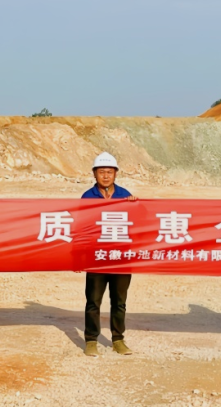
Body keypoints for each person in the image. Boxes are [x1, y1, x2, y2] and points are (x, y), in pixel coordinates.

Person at [81, 152, 138, 357]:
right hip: (96, 257)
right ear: (94, 174)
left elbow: (140, 222)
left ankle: (118, 339)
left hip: (120, 257)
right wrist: (80, 257)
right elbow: (82, 227)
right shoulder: (88, 197)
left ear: (115, 174)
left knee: (119, 302)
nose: (105, 176)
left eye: (109, 172)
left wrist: (136, 206)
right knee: (93, 301)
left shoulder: (125, 195)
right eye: (101, 172)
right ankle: (91, 340)